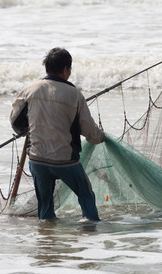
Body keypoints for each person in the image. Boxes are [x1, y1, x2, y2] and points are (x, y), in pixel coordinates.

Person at [10, 48, 106, 221]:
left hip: (37, 160)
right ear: (65, 69)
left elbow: (15, 121)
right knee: (86, 195)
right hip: (65, 161)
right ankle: (91, 230)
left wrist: (24, 131)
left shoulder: (29, 89)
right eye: (69, 69)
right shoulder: (74, 94)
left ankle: (47, 236)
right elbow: (89, 131)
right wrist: (101, 137)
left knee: (45, 204)